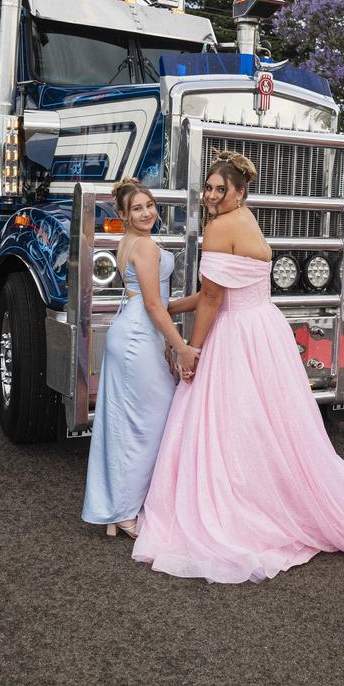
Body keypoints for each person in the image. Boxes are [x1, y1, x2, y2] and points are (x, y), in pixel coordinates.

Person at [132, 152, 344, 583]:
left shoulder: (219, 227)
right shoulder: (248, 220)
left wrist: (189, 349)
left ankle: (243, 501)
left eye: (221, 189)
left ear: (240, 191)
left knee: (229, 421)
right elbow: (216, 290)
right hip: (265, 328)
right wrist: (167, 307)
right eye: (210, 188)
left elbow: (214, 299)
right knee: (270, 423)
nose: (213, 196)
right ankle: (271, 490)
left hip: (236, 333)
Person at [82, 178, 199, 539]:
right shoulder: (144, 246)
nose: (147, 212)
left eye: (149, 205)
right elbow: (152, 304)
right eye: (137, 208)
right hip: (137, 336)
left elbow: (155, 302)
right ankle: (126, 512)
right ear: (123, 214)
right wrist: (180, 345)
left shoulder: (128, 242)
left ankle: (119, 509)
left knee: (127, 425)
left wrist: (203, 298)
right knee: (148, 425)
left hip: (135, 332)